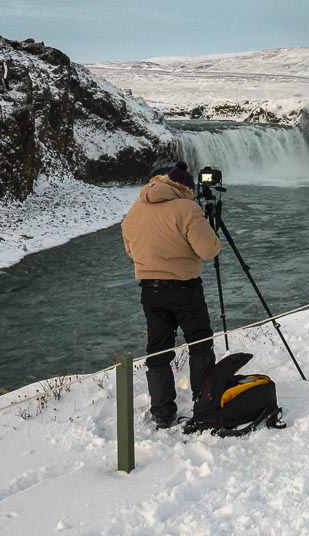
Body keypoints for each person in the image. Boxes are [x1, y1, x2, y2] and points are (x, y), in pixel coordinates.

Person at [120, 160, 221, 429]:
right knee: (200, 344)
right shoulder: (187, 209)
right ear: (185, 188)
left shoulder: (135, 209)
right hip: (185, 289)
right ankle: (203, 404)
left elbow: (131, 250)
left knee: (158, 349)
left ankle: (162, 413)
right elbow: (209, 250)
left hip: (150, 291)